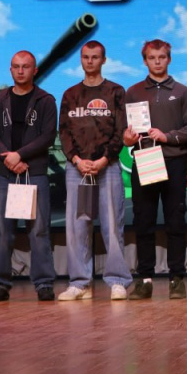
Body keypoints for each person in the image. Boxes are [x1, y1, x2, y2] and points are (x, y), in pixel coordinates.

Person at [124, 39, 187, 300]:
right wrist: (127, 139)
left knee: (175, 222)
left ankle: (177, 279)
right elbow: (125, 132)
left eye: (162, 57)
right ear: (145, 61)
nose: (157, 62)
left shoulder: (183, 92)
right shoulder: (133, 92)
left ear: (169, 59)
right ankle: (144, 279)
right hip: (145, 160)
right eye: (152, 57)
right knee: (144, 222)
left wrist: (167, 136)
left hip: (174, 162)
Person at [57, 41, 131, 301]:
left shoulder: (116, 91)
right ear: (81, 59)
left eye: (95, 57)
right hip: (77, 169)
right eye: (86, 57)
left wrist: (103, 160)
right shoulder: (70, 94)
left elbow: (120, 130)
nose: (90, 61)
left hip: (107, 167)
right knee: (77, 227)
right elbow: (64, 132)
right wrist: (77, 160)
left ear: (103, 60)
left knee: (112, 227)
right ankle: (80, 283)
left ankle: (118, 281)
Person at [0, 50, 58, 303]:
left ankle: (44, 283)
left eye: (26, 66)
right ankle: (0, 284)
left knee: (39, 231)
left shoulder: (45, 100)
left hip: (34, 172)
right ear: (10, 69)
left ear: (34, 70)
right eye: (16, 66)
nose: (20, 70)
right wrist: (8, 157)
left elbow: (48, 136)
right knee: (3, 232)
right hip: (5, 174)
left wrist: (20, 155)